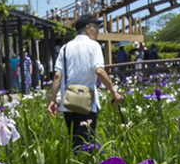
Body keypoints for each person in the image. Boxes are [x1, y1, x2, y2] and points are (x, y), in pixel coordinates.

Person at [48, 14, 123, 151]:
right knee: (85, 144)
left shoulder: (65, 48)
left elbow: (57, 75)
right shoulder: (93, 46)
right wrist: (114, 92)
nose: (98, 31)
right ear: (87, 28)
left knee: (74, 142)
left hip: (68, 102)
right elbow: (99, 71)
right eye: (96, 27)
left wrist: (53, 100)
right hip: (87, 103)